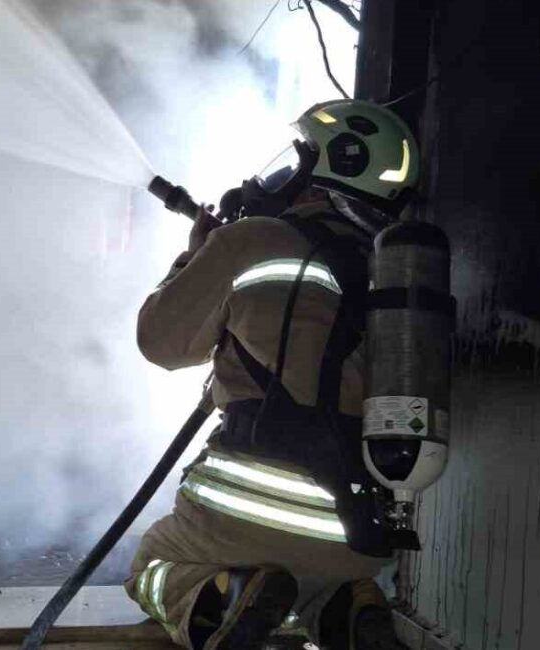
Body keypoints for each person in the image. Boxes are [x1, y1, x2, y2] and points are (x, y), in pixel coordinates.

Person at [126, 99, 419, 650]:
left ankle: (224, 598)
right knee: (309, 580)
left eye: (299, 157)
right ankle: (347, 610)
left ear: (323, 170)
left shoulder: (251, 241)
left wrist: (195, 257)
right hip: (358, 530)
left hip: (243, 513)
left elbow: (160, 344)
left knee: (152, 564)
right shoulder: (396, 274)